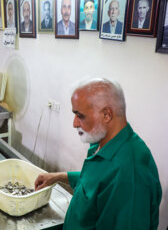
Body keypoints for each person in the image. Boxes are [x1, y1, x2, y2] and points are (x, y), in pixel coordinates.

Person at [35, 78, 162, 229]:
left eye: (80, 115)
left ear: (107, 115)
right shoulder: (103, 143)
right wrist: (58, 177)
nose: (74, 123)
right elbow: (98, 182)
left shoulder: (130, 176)